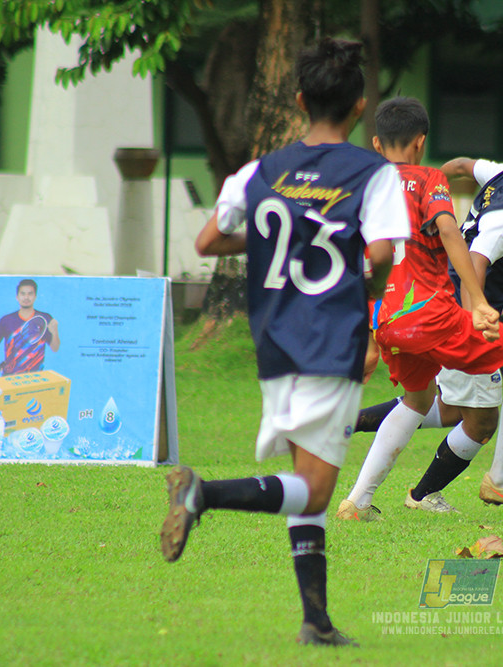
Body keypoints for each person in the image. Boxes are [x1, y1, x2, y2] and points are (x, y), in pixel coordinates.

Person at [160, 37, 410, 648]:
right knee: (317, 486)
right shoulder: (374, 175)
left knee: (309, 484)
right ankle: (202, 494)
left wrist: (285, 237)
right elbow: (379, 257)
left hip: (275, 343)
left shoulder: (260, 171)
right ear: (359, 106)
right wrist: (356, 279)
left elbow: (209, 242)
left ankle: (315, 620)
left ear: (299, 101)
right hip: (331, 340)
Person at [354, 125, 503, 514]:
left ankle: (352, 428)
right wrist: (476, 316)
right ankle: (499, 480)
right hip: (457, 312)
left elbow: (462, 165)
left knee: (449, 409)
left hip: (432, 304)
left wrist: (432, 181)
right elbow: (476, 259)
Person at [335, 97, 503, 520]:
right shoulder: (427, 179)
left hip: (386, 320)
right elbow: (451, 232)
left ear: (377, 144)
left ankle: (358, 501)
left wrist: (368, 340)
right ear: (421, 142)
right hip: (433, 314)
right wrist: (478, 303)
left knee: (416, 401)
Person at [0, 278, 61, 377]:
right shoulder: (6, 320)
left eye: (30, 294)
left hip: (36, 379)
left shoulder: (45, 319)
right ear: (17, 297)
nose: (26, 297)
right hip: (10, 378)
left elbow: (55, 348)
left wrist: (55, 331)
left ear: (35, 296)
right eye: (23, 294)